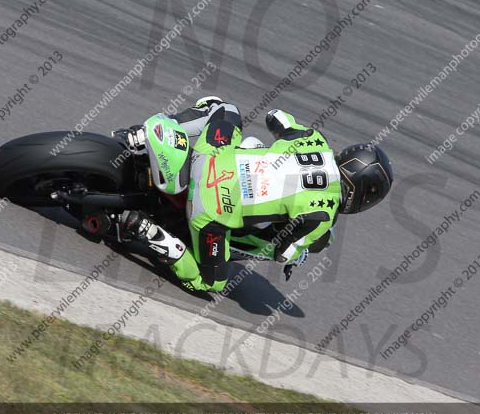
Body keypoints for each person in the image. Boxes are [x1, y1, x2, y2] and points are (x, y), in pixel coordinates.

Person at [111, 97, 393, 291]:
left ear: (348, 157)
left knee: (224, 109)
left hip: (210, 156)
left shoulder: (314, 140)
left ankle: (147, 136)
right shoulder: (323, 213)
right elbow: (284, 253)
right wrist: (297, 243)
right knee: (211, 283)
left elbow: (276, 117)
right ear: (361, 195)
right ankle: (148, 231)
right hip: (211, 211)